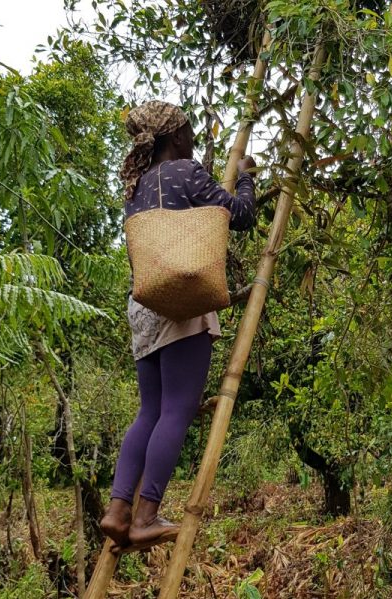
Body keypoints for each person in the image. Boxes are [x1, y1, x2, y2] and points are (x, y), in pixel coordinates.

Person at [100, 101, 257, 550]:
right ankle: (147, 513)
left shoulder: (135, 187)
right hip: (182, 302)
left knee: (149, 411)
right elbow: (239, 217)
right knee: (177, 411)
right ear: (175, 139)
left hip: (144, 304)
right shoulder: (186, 172)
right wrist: (245, 175)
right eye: (187, 132)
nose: (192, 139)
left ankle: (117, 510)